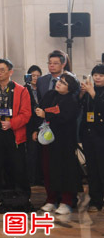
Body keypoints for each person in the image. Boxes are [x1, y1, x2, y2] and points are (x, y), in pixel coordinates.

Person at [0, 58, 31, 210]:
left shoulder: (21, 90)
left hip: (14, 134)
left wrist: (12, 123)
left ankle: (20, 199)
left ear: (10, 72)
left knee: (17, 167)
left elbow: (26, 114)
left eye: (2, 70)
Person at [36, 74, 82, 215]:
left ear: (70, 88)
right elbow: (40, 110)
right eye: (59, 81)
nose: (59, 84)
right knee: (48, 169)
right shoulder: (50, 95)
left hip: (65, 141)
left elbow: (65, 117)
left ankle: (66, 201)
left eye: (63, 83)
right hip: (48, 138)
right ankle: (51, 199)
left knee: (65, 170)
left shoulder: (72, 100)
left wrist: (47, 115)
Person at [80, 67, 104, 212]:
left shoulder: (94, 92)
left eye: (101, 75)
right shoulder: (89, 91)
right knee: (93, 168)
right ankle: (95, 200)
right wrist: (82, 95)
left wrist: (93, 94)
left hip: (102, 136)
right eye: (95, 75)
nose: (97, 78)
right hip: (89, 135)